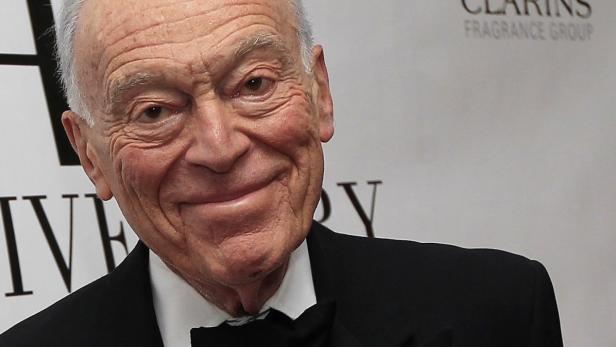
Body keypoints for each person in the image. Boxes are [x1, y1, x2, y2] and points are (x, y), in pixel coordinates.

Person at [0, 0, 563, 346]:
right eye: (155, 111)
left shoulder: (497, 313)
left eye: (254, 85)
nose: (219, 149)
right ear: (90, 153)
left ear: (320, 93)